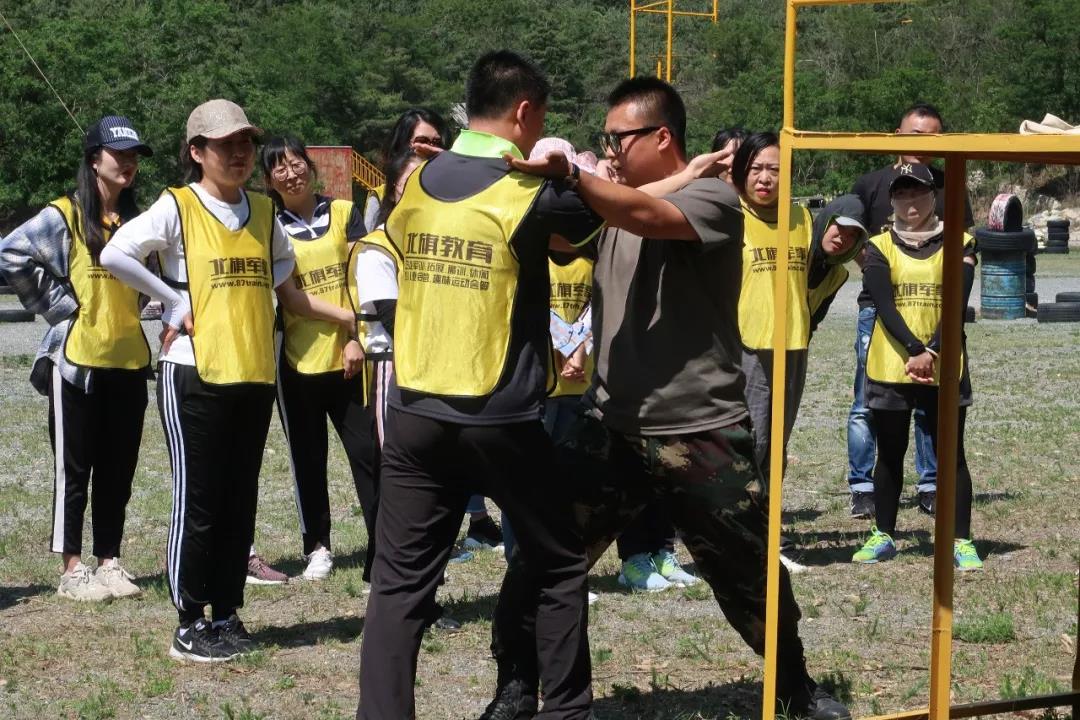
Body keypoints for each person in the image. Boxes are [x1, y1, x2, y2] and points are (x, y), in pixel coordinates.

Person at [490, 77, 849, 720]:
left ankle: (796, 687)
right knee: (542, 557)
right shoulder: (613, 201)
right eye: (604, 141)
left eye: (618, 139)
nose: (609, 151)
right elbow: (564, 238)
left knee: (748, 574)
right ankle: (516, 687)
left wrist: (576, 175)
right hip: (612, 425)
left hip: (699, 427)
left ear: (661, 137)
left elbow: (647, 217)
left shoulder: (713, 196)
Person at [355, 51, 604, 720]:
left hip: (414, 408)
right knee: (559, 563)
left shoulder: (420, 179)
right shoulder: (528, 190)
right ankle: (567, 711)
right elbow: (602, 213)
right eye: (540, 118)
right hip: (499, 413)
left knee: (398, 588)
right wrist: (572, 166)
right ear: (524, 111)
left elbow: (386, 248)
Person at [101, 98, 296, 662]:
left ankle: (228, 611)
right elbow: (116, 253)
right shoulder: (177, 205)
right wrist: (172, 299)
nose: (239, 154)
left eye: (245, 143)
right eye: (224, 144)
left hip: (253, 371)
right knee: (200, 498)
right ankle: (190, 621)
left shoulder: (265, 211)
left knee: (240, 497)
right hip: (194, 370)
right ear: (196, 152)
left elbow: (283, 265)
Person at [0, 116, 154, 602]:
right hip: (76, 363)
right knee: (75, 469)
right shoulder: (64, 214)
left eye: (134, 156)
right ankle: (71, 569)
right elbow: (11, 253)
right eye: (118, 154)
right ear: (94, 160)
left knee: (119, 468)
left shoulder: (138, 222)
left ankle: (110, 561)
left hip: (129, 358)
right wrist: (59, 305)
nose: (128, 163)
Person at [732, 132, 864, 570]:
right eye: (756, 169)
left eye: (775, 169)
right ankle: (743, 539)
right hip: (746, 346)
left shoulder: (801, 218)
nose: (765, 178)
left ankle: (769, 535)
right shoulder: (730, 214)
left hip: (792, 346)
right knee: (748, 444)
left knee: (776, 445)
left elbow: (818, 270)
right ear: (741, 171)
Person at [851, 163, 982, 571]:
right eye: (902, 194)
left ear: (933, 196)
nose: (910, 201)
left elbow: (957, 302)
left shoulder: (961, 241)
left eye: (918, 192)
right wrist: (914, 348)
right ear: (892, 200)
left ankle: (960, 540)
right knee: (890, 453)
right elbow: (882, 302)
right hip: (893, 365)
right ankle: (884, 534)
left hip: (944, 363)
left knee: (951, 455)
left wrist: (934, 350)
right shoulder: (878, 245)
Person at [847, 103, 975, 518]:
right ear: (897, 133)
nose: (923, 144)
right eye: (916, 134)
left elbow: (964, 245)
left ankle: (931, 483)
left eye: (933, 137)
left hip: (934, 312)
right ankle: (863, 486)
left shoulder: (950, 182)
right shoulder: (871, 183)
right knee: (868, 402)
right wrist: (874, 273)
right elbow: (849, 234)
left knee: (930, 405)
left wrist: (933, 343)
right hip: (879, 311)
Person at [260, 135, 377, 581]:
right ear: (269, 180)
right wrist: (346, 317)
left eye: (296, 164)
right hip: (297, 362)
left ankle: (383, 546)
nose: (290, 174)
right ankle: (318, 547)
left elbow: (363, 277)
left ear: (310, 167)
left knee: (370, 455)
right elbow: (290, 297)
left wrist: (354, 335)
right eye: (279, 168)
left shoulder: (345, 212)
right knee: (307, 459)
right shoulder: (271, 226)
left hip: (350, 358)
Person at [362, 107, 451, 231]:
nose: (431, 148)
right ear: (403, 144)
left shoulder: (452, 192)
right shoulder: (380, 196)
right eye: (422, 141)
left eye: (436, 142)